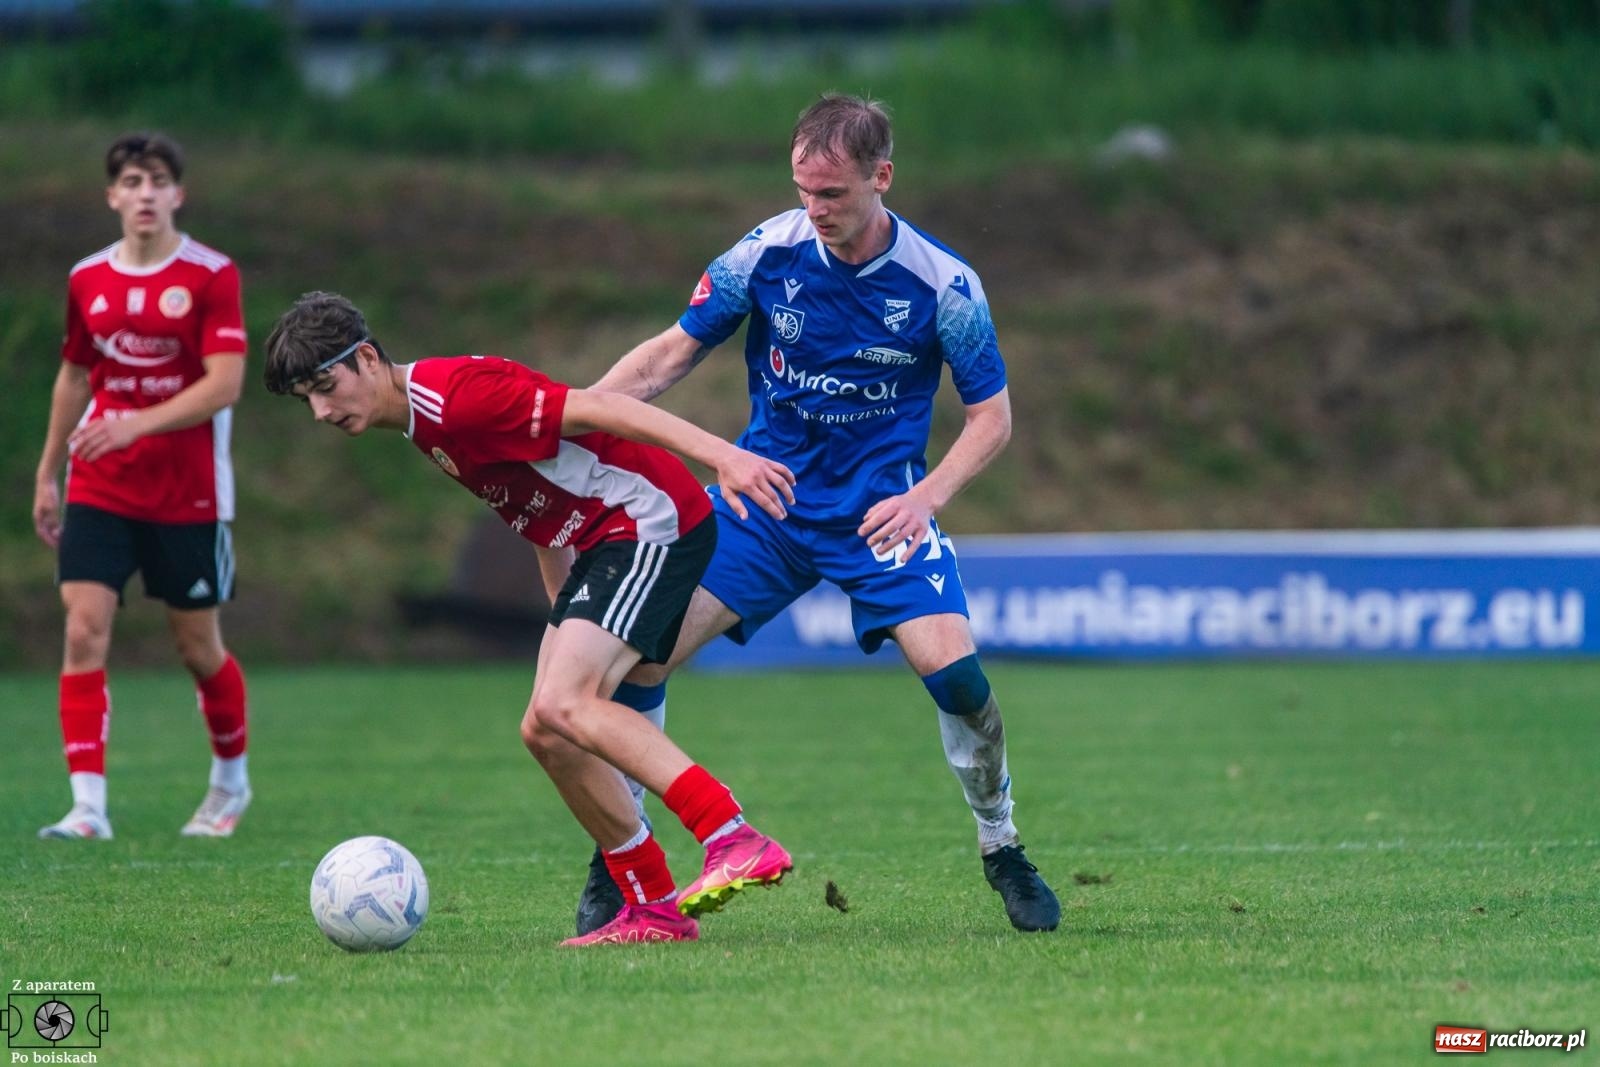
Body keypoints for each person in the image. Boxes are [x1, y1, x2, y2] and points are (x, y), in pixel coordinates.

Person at [582, 93, 1061, 933]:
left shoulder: (944, 285)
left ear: (883, 178)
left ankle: (1002, 844)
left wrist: (925, 496)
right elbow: (670, 354)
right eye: (804, 191)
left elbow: (994, 417)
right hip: (764, 507)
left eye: (833, 194)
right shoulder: (763, 256)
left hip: (881, 516)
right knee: (635, 662)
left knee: (959, 679)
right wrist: (574, 410)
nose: (816, 210)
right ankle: (622, 856)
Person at [263, 291, 798, 946]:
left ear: (367, 358)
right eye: (306, 400)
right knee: (546, 728)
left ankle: (732, 836)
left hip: (646, 519)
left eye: (325, 385)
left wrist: (725, 456)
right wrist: (564, 610)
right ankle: (653, 903)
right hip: (604, 538)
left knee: (566, 701)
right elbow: (539, 513)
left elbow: (605, 408)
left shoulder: (455, 397)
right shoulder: (422, 425)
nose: (321, 410)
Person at [32, 132, 253, 841]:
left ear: (178, 194)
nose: (146, 192)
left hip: (189, 492)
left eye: (158, 180)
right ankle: (88, 807)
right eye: (132, 181)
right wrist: (47, 472)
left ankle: (230, 781)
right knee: (83, 628)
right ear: (113, 197)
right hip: (99, 483)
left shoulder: (213, 275)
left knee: (196, 646)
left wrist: (135, 425)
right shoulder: (87, 279)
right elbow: (72, 376)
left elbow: (225, 384)